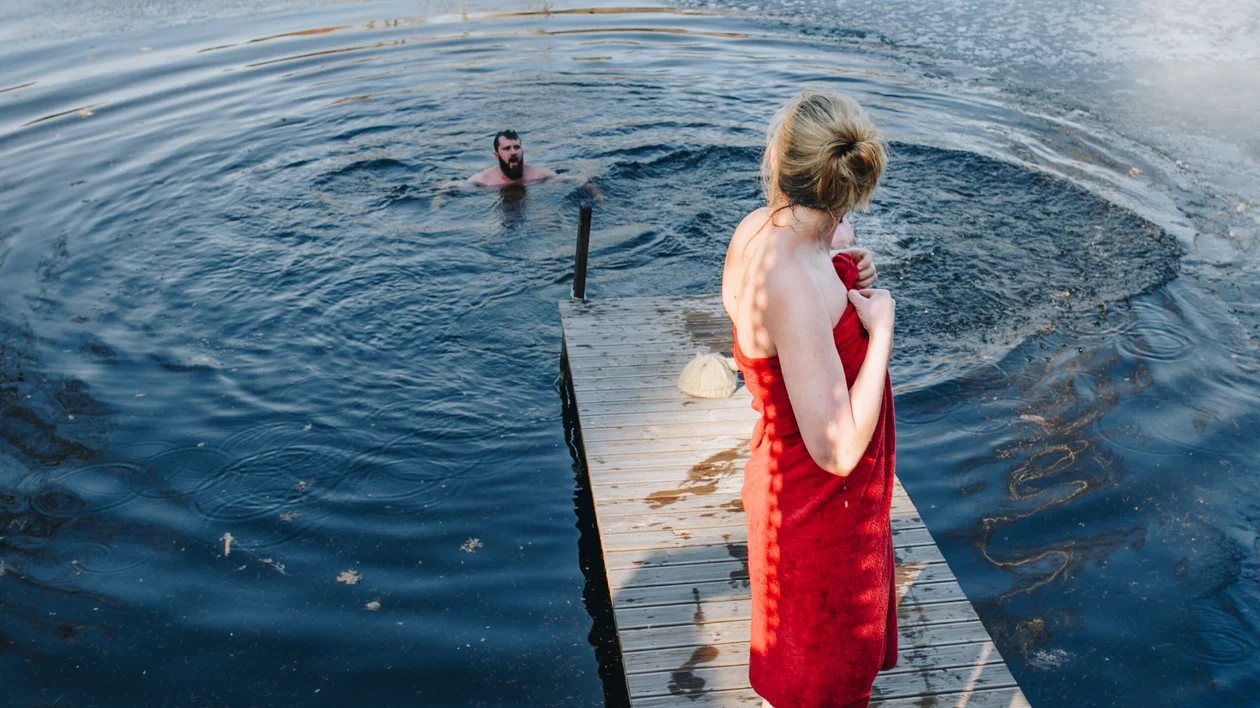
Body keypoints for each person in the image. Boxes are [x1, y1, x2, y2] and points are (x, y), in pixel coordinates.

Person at [721, 89, 896, 708]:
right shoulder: (790, 277)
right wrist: (881, 333)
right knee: (819, 685)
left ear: (780, 160)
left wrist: (848, 269)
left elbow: (762, 317)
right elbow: (839, 448)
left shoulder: (762, 230)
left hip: (810, 495)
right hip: (816, 512)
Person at [469, 130, 555, 187]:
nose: (513, 152)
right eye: (507, 148)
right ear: (496, 156)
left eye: (517, 147)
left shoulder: (539, 175)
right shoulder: (484, 181)